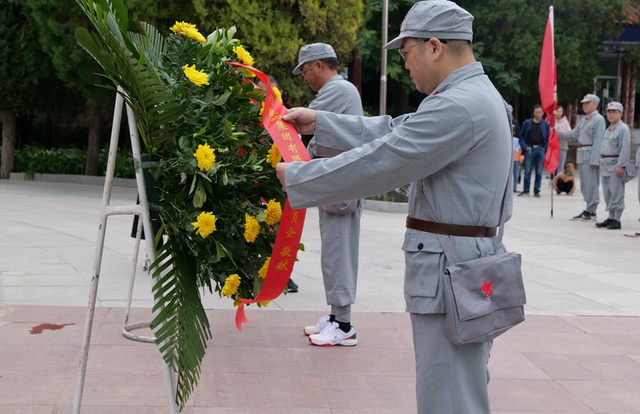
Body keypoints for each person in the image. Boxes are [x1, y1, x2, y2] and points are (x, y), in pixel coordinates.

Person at [277, 1, 511, 412]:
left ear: (434, 47)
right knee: (459, 387)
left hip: (451, 267)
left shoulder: (457, 105)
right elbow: (396, 130)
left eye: (406, 53)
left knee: (447, 396)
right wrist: (323, 121)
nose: (406, 64)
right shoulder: (470, 95)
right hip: (464, 264)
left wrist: (298, 177)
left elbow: (385, 160)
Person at [292, 43, 364, 346]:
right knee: (334, 253)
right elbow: (320, 139)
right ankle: (336, 317)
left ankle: (344, 325)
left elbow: (304, 124)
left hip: (341, 186)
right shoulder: (338, 91)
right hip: (335, 185)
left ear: (319, 65)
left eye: (305, 71)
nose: (305, 78)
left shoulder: (338, 90)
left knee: (339, 253)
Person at [255, 74, 299, 292]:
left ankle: (283, 275)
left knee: (280, 228)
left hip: (278, 181)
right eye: (262, 93)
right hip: (255, 180)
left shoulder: (286, 118)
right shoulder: (249, 116)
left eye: (271, 94)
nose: (266, 98)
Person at [557, 94, 606, 221]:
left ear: (595, 104)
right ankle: (588, 208)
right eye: (583, 103)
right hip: (582, 154)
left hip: (590, 154)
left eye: (587, 103)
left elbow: (599, 141)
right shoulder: (584, 120)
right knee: (584, 184)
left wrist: (595, 159)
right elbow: (573, 134)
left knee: (591, 184)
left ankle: (592, 211)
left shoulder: (599, 119)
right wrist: (556, 133)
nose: (584, 105)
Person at [595, 101, 631, 230]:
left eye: (614, 112)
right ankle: (610, 217)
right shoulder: (609, 128)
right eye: (609, 112)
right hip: (605, 165)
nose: (610, 114)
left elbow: (625, 148)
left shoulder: (623, 128)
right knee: (608, 193)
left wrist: (621, 165)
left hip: (615, 165)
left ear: (621, 113)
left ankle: (617, 219)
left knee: (617, 193)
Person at [518, 105, 550, 197]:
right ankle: (526, 190)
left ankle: (537, 190)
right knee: (527, 170)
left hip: (540, 149)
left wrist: (544, 147)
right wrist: (525, 146)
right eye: (536, 112)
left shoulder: (545, 125)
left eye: (539, 112)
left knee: (539, 172)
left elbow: (548, 138)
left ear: (542, 113)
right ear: (533, 113)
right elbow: (521, 136)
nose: (538, 114)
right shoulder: (527, 123)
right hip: (529, 149)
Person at [555, 105, 572, 174]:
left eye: (560, 111)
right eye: (557, 111)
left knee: (561, 164)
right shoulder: (551, 120)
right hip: (553, 145)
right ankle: (551, 179)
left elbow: (569, 133)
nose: (559, 113)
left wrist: (561, 133)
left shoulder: (565, 122)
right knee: (553, 164)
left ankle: (559, 178)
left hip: (562, 144)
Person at [513, 127, 523, 192]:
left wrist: (520, 158)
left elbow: (519, 149)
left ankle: (515, 187)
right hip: (509, 160)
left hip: (516, 158)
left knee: (516, 174)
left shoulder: (517, 140)